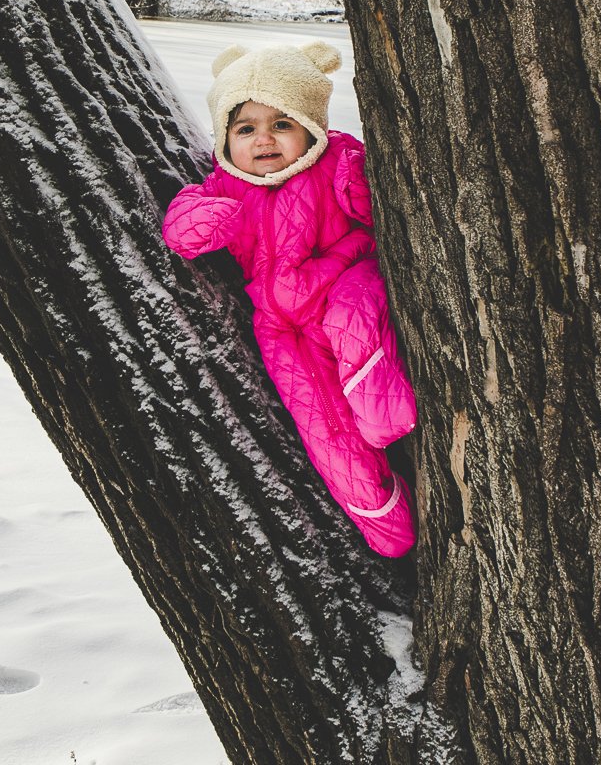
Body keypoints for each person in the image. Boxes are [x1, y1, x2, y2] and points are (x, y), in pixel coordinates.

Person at [162, 42, 418, 557]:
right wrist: (205, 220)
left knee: (354, 318)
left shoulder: (337, 162)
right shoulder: (224, 186)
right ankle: (389, 528)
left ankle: (385, 413)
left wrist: (358, 178)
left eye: (282, 123)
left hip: (345, 282)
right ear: (225, 139)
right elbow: (180, 227)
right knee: (324, 429)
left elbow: (379, 208)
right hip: (283, 328)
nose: (264, 141)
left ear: (311, 128)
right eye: (246, 128)